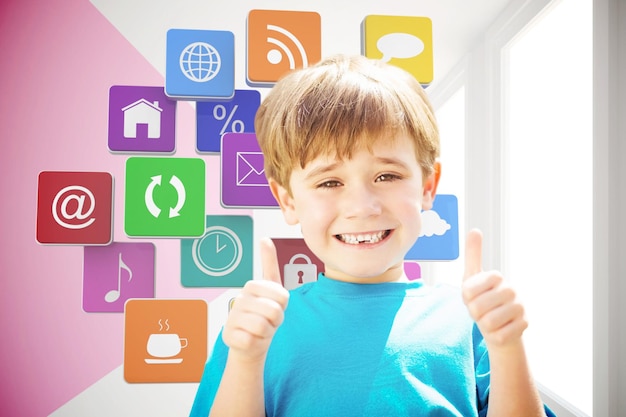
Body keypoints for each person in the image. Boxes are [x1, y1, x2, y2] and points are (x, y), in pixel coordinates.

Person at [189, 54, 556, 417]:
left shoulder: (474, 321)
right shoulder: (253, 331)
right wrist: (247, 359)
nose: (362, 207)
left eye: (387, 176)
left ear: (428, 186)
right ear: (288, 201)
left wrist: (507, 346)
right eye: (329, 182)